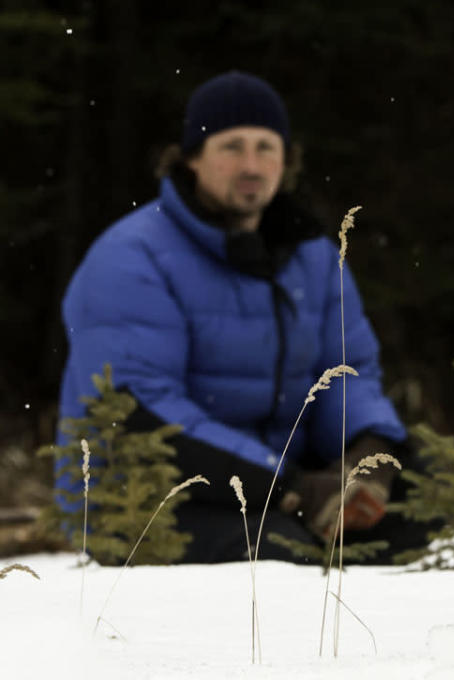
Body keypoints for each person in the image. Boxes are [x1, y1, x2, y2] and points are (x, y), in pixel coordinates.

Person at [56, 71, 422, 563]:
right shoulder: (131, 256)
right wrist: (287, 485)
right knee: (282, 555)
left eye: (266, 147)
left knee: (423, 511)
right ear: (190, 158)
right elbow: (139, 410)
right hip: (146, 495)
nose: (251, 165)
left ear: (287, 160)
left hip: (281, 486)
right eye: (231, 146)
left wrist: (366, 455)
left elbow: (348, 371)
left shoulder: (312, 254)